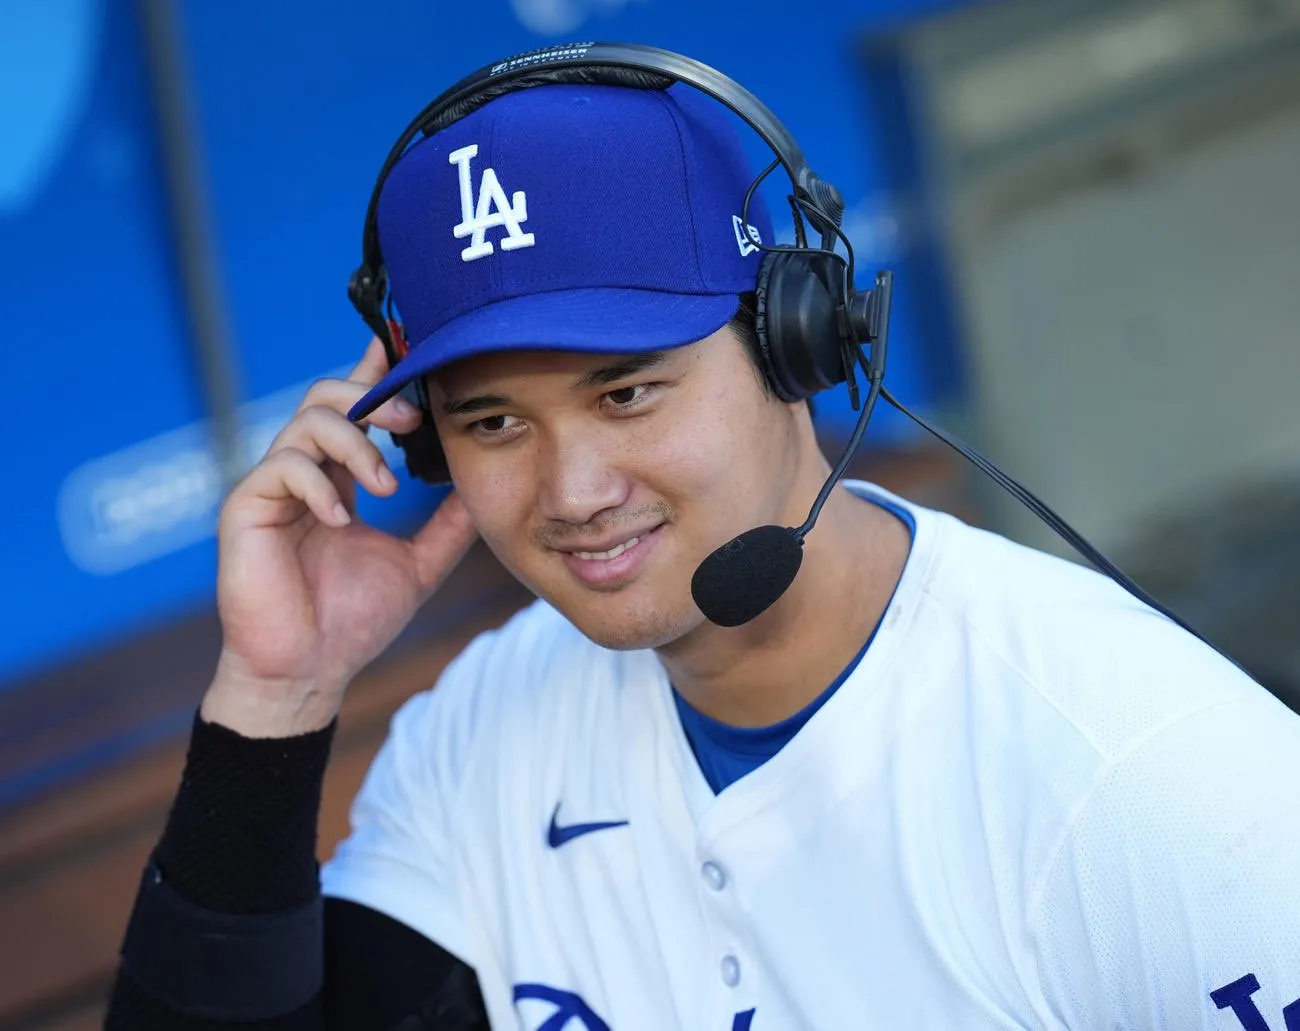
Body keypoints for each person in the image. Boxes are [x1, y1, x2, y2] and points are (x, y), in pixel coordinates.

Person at [106, 64, 1300, 1031]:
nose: (573, 490)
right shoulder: (484, 727)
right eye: (493, 422)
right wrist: (277, 696)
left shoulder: (1153, 780)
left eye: (626, 391)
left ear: (799, 342)